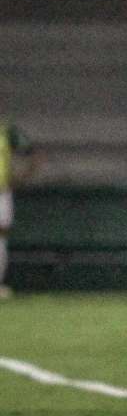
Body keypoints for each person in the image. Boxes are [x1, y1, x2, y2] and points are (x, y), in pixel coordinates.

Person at [0, 123, 41, 299]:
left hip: (2, 191)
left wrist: (21, 177)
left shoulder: (7, 131)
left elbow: (32, 154)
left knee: (1, 237)